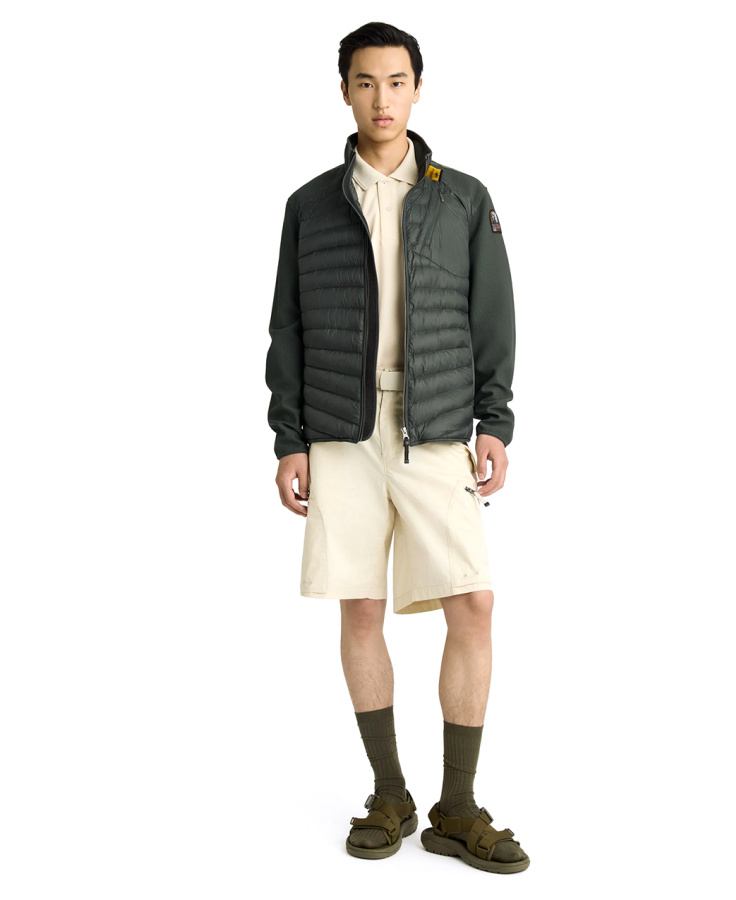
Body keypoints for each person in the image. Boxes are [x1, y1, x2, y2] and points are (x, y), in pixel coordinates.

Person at [265, 22, 527, 873]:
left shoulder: (462, 199)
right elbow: (287, 326)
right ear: (344, 90)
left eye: (396, 81)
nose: (382, 99)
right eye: (365, 82)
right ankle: (390, 793)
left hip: (437, 423)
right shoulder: (310, 204)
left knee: (472, 603)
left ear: (418, 88)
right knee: (360, 608)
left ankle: (457, 807)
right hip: (339, 430)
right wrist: (289, 437)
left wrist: (494, 422)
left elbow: (493, 316)